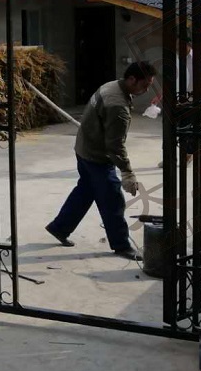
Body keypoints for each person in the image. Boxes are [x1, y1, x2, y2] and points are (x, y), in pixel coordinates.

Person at [45, 61, 157, 260]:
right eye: (144, 85)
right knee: (113, 200)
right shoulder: (117, 106)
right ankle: (122, 245)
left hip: (83, 147)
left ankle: (60, 227)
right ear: (132, 79)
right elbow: (115, 145)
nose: (146, 90)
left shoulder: (111, 85)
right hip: (96, 156)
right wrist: (127, 172)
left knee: (85, 191)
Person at [150, 30, 201, 166]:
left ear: (188, 44)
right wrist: (159, 96)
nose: (177, 48)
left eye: (180, 44)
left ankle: (188, 155)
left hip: (190, 101)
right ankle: (169, 158)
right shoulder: (173, 58)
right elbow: (170, 80)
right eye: (176, 45)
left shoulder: (198, 59)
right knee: (168, 129)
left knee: (188, 130)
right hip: (173, 100)